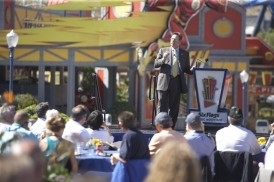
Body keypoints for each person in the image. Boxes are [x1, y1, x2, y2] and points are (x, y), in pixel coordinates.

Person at [154, 32, 193, 129]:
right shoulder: (163, 50)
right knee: (162, 106)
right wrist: (163, 59)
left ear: (180, 42)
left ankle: (171, 127)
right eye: (171, 39)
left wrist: (193, 70)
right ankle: (160, 127)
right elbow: (156, 64)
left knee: (174, 107)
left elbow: (187, 69)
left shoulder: (184, 54)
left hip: (177, 81)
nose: (172, 41)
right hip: (164, 81)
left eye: (175, 39)